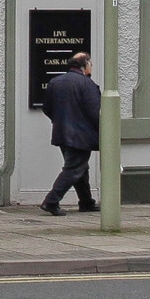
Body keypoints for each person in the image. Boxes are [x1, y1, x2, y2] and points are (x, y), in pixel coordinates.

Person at [40, 50, 101, 215]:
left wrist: (58, 121)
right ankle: (51, 201)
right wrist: (103, 132)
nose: (91, 67)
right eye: (91, 64)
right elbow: (94, 112)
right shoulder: (87, 84)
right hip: (82, 135)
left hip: (62, 133)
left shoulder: (55, 82)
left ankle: (86, 202)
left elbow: (47, 108)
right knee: (74, 168)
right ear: (84, 66)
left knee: (80, 168)